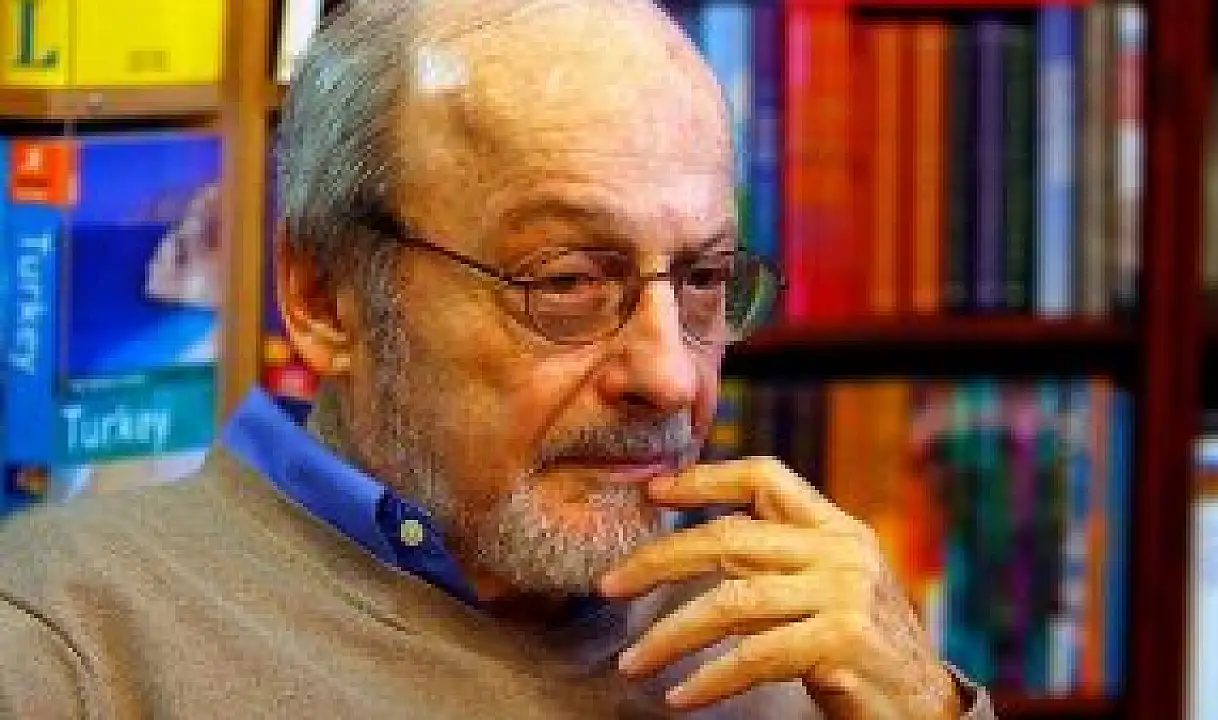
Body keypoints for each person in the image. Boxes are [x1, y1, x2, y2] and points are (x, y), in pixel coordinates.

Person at [0, 0, 996, 717]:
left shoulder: (793, 642)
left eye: (702, 279)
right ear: (324, 297)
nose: (672, 376)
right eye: (566, 282)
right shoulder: (67, 644)